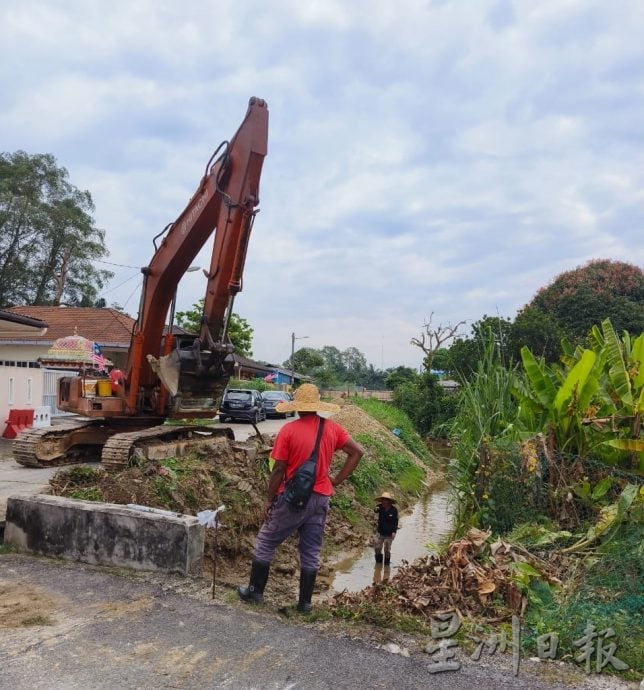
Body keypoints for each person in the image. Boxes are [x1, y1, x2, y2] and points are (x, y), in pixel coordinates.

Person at [238, 384, 364, 613]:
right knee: (311, 550)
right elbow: (357, 452)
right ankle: (305, 604)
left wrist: (268, 500)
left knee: (266, 541)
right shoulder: (333, 429)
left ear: (296, 407)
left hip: (293, 498)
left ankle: (255, 592)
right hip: (321, 498)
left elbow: (278, 470)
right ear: (317, 406)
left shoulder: (288, 431)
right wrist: (336, 480)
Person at [374, 491, 398, 565]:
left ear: (389, 502)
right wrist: (376, 508)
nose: (384, 502)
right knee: (377, 548)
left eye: (386, 500)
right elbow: (375, 510)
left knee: (387, 549)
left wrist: (394, 532)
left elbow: (395, 522)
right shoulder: (380, 507)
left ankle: (387, 565)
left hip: (389, 534)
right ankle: (378, 564)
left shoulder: (394, 510)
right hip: (380, 532)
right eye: (383, 500)